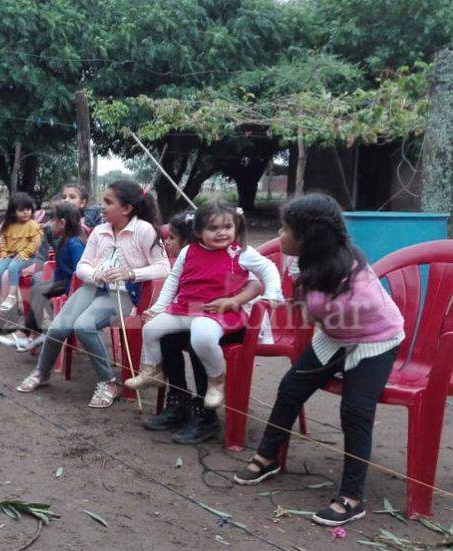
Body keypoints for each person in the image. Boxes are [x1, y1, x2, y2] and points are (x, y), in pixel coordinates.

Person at [233, 193, 405, 527]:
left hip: (375, 340)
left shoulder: (353, 277)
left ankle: (352, 497)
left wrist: (306, 309)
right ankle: (268, 457)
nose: (279, 235)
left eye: (285, 230)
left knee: (356, 409)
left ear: (309, 238)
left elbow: (328, 314)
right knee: (290, 387)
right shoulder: (301, 259)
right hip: (335, 334)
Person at [15, 180, 170, 408]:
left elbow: (164, 267)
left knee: (84, 325)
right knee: (59, 326)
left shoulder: (144, 231)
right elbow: (83, 266)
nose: (102, 206)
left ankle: (108, 381)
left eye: (108, 202)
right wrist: (96, 274)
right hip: (92, 287)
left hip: (122, 294)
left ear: (126, 209)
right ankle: (42, 372)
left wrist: (130, 273)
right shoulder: (99, 231)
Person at [126, 201, 282, 410]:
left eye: (227, 227)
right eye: (213, 228)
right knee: (152, 329)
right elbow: (173, 280)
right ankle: (152, 370)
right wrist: (157, 309)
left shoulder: (240, 252)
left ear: (236, 227)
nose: (221, 233)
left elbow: (268, 268)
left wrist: (272, 293)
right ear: (198, 231)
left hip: (216, 312)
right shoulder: (188, 251)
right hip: (186, 308)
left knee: (201, 337)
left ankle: (216, 381)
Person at [138, 211, 264, 444]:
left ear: (191, 239)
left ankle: (206, 417)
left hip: (235, 322)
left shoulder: (235, 256)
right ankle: (179, 402)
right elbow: (178, 298)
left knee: (198, 342)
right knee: (168, 337)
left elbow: (258, 284)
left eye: (173, 238)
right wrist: (157, 311)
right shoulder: (190, 261)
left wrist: (235, 301)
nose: (168, 243)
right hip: (200, 317)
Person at [0, 202, 84, 352]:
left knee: (40, 289)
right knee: (38, 288)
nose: (50, 223)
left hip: (72, 286)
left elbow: (79, 271)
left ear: (62, 223)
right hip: (62, 281)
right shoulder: (62, 240)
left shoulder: (75, 243)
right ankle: (39, 330)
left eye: (53, 220)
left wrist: (68, 293)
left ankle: (26, 332)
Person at [0, 192, 42, 315]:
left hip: (29, 257)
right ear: (13, 211)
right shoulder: (9, 226)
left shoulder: (32, 225)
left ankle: (11, 296)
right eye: (21, 210)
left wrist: (25, 252)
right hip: (11, 255)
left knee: (14, 267)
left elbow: (36, 242)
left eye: (28, 209)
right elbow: (3, 242)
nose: (25, 212)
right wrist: (3, 254)